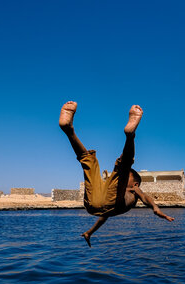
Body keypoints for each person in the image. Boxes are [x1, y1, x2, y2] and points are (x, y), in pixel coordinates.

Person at [59, 101, 174, 247]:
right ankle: (69, 130)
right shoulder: (117, 193)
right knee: (88, 161)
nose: (125, 177)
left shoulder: (133, 189)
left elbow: (145, 197)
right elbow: (103, 217)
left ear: (135, 183)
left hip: (93, 206)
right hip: (95, 205)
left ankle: (128, 136)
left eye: (128, 176)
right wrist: (90, 232)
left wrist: (155, 208)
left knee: (107, 164)